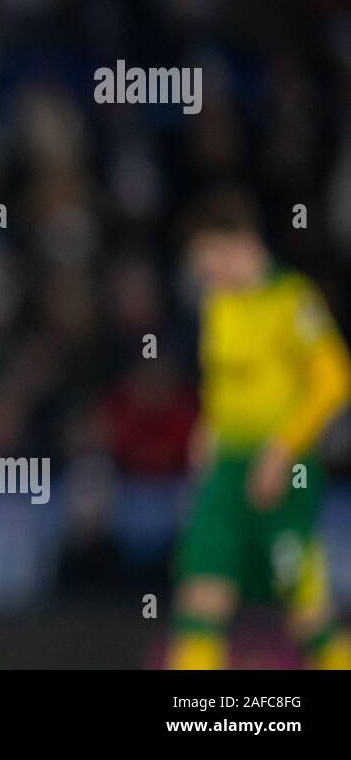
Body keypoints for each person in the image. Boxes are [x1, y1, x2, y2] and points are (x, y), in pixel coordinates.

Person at [168, 187, 351, 669]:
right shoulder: (220, 303)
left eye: (211, 260)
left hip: (283, 472)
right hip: (226, 470)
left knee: (306, 613)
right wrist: (204, 442)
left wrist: (282, 449)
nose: (208, 274)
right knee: (200, 600)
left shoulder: (291, 300)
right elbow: (223, 386)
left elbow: (334, 379)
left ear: (241, 243)